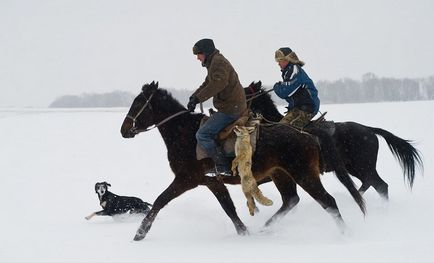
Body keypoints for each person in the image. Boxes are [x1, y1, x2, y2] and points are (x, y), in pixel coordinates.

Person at [187, 38, 247, 177]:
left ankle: (222, 166)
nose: (197, 58)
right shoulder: (213, 62)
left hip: (231, 109)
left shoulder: (218, 63)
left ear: (206, 52)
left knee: (202, 134)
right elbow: (207, 83)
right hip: (230, 106)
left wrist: (198, 98)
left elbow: (217, 84)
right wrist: (194, 97)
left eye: (199, 54)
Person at [273, 47, 320, 128]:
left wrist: (276, 87)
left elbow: (284, 93)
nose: (278, 63)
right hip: (298, 108)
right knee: (279, 128)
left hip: (308, 108)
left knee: (288, 130)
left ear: (287, 59)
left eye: (280, 60)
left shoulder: (294, 70)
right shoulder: (288, 71)